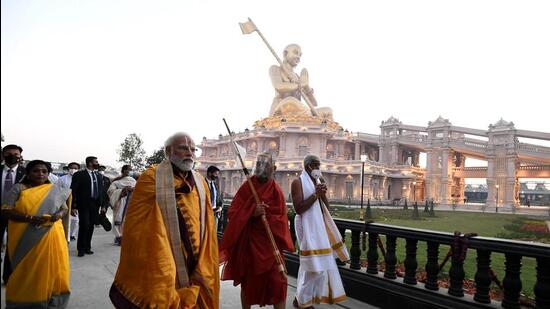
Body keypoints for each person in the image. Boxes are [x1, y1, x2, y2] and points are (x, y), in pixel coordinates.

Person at [110, 132, 219, 309]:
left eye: (193, 149)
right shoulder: (152, 177)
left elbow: (207, 220)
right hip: (163, 252)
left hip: (198, 257)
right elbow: (136, 223)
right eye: (183, 148)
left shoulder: (200, 181)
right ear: (168, 151)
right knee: (164, 296)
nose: (190, 153)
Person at [220, 153, 294, 309]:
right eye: (259, 164)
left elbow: (282, 217)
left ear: (273, 168)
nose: (262, 168)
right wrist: (251, 212)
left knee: (279, 283)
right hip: (250, 246)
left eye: (266, 165)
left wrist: (268, 217)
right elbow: (233, 213)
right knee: (248, 284)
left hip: (271, 246)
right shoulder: (248, 187)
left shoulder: (276, 190)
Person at [2, 160, 71, 308]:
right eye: (36, 171)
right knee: (27, 270)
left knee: (53, 268)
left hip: (52, 234)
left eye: (44, 171)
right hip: (26, 236)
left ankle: (53, 300)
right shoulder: (18, 188)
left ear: (48, 173)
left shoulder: (53, 189)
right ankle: (25, 302)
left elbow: (64, 208)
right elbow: (6, 210)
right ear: (28, 173)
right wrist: (30, 218)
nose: (40, 174)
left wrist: (58, 215)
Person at [291, 154, 349, 308]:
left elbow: (326, 208)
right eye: (315, 165)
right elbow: (298, 208)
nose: (317, 168)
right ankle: (303, 301)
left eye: (318, 165)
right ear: (307, 166)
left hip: (319, 225)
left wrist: (322, 194)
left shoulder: (318, 181)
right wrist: (315, 194)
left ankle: (301, 299)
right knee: (312, 266)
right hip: (306, 225)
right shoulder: (297, 182)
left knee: (318, 266)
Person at [269, 44, 332, 119]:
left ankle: (307, 117)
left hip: (299, 110)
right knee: (290, 101)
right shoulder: (275, 68)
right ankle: (309, 118)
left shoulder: (298, 77)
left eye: (300, 55)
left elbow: (314, 103)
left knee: (328, 110)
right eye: (295, 53)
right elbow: (278, 86)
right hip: (283, 108)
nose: (298, 57)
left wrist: (306, 86)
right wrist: (301, 85)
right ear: (285, 53)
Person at [71, 156, 106, 257]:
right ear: (90, 163)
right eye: (96, 162)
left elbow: (101, 191)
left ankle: (87, 247)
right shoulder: (79, 175)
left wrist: (103, 205)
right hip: (83, 204)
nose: (97, 163)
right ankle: (81, 249)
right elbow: (74, 191)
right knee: (84, 225)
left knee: (91, 226)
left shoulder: (99, 176)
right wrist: (73, 206)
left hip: (95, 204)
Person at [1, 144, 26, 284]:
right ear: (3, 155)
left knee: (12, 247)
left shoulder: (26, 173)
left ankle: (8, 277)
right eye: (9, 153)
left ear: (20, 156)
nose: (13, 156)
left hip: (15, 215)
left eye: (16, 154)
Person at [107, 165, 136, 246]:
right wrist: (123, 191)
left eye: (131, 170)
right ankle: (119, 237)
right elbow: (110, 191)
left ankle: (126, 236)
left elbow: (139, 190)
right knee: (118, 218)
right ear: (123, 170)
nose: (129, 171)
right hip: (120, 201)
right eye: (127, 169)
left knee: (128, 219)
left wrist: (133, 190)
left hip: (131, 202)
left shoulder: (134, 181)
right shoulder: (117, 181)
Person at [56, 162, 81, 241]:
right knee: (65, 220)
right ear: (68, 169)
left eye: (75, 168)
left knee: (75, 220)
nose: (73, 170)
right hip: (64, 201)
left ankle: (72, 235)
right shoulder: (62, 179)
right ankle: (65, 235)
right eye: (72, 168)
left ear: (78, 169)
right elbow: (57, 189)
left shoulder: (80, 179)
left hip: (76, 202)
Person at [206, 165, 223, 232]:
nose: (217, 176)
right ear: (210, 173)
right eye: (216, 174)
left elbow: (220, 198)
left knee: (213, 233)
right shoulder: (202, 183)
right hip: (206, 213)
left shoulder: (215, 184)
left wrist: (220, 207)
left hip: (215, 213)